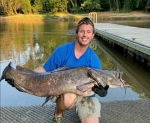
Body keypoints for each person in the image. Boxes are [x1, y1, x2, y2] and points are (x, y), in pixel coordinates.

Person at [34, 17, 109, 123]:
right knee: (69, 98)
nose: (84, 35)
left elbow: (100, 83)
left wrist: (103, 90)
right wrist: (23, 75)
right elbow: (44, 69)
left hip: (85, 95)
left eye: (88, 32)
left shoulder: (94, 60)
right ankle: (58, 113)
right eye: (82, 31)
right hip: (64, 91)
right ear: (77, 33)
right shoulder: (62, 51)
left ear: (92, 35)